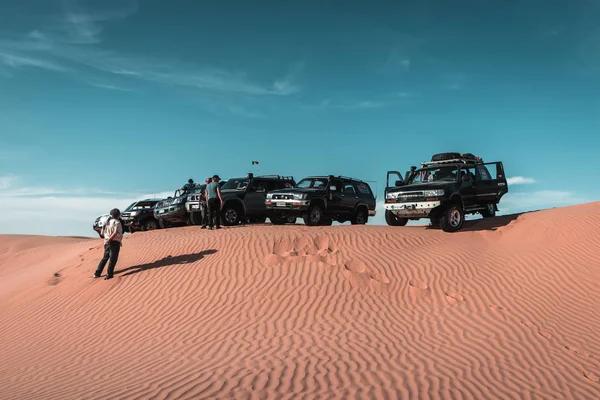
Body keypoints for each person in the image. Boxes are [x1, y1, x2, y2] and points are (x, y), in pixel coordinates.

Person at [93, 208, 124, 280]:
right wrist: (110, 239)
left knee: (105, 258)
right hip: (114, 242)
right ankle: (109, 274)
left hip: (106, 242)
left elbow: (102, 233)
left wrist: (107, 239)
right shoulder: (117, 222)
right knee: (113, 259)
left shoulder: (106, 222)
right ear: (118, 215)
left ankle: (97, 273)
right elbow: (115, 232)